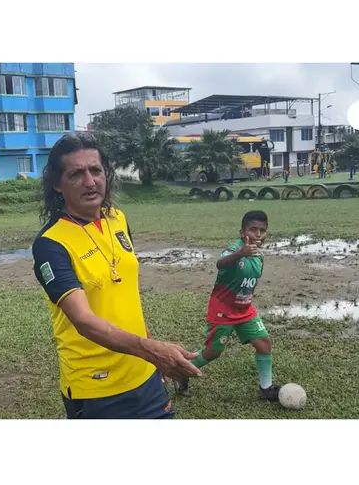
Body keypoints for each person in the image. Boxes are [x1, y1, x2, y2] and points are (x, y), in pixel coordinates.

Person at [31, 132, 201, 419]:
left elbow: (126, 295)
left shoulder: (117, 219)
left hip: (145, 373)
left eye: (95, 170)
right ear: (57, 184)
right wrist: (153, 351)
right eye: (76, 174)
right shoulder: (51, 244)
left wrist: (151, 355)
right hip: (96, 389)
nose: (89, 181)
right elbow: (84, 322)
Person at [173, 210, 280, 401]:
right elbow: (221, 263)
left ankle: (266, 388)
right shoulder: (234, 250)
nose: (257, 235)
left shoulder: (259, 256)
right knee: (214, 351)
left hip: (245, 309)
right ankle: (181, 371)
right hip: (223, 310)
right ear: (242, 232)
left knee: (264, 343)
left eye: (262, 231)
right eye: (253, 229)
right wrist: (240, 254)